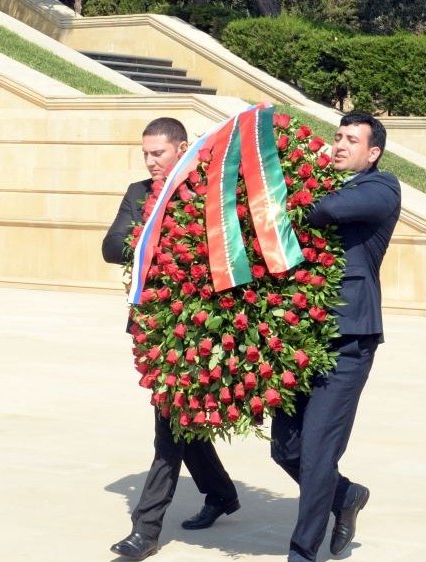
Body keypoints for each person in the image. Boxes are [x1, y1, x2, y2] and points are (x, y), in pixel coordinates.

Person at [103, 117, 240, 561]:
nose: (150, 161)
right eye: (145, 153)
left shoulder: (206, 192)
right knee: (181, 418)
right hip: (157, 328)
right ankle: (220, 493)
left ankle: (145, 529)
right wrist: (157, 237)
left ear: (182, 149)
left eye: (158, 152)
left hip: (200, 328)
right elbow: (111, 246)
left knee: (169, 425)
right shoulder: (139, 193)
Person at [269, 112, 401, 562]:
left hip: (349, 337)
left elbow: (328, 210)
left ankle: (302, 552)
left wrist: (291, 201)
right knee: (285, 449)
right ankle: (346, 496)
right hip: (302, 335)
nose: (340, 145)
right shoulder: (322, 181)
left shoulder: (381, 187)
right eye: (338, 136)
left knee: (317, 450)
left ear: (373, 152)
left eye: (352, 140)